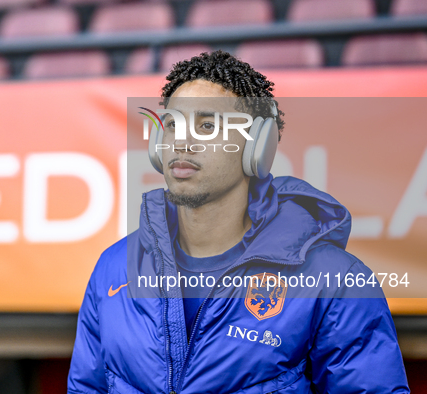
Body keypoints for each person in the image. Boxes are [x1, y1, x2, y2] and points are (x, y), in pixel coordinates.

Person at [67, 50, 409, 393]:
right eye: (172, 124)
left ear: (257, 147)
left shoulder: (336, 281)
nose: (182, 142)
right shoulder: (112, 268)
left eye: (206, 125)